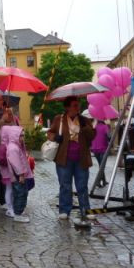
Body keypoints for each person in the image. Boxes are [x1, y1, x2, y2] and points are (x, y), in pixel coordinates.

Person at [47, 96, 96, 225]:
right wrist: (55, 137)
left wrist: (85, 127)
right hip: (64, 159)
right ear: (67, 107)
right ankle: (64, 210)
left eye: (78, 105)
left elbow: (92, 136)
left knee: (82, 186)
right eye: (74, 105)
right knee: (65, 185)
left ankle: (85, 209)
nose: (77, 107)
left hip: (81, 159)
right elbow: (50, 133)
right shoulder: (60, 119)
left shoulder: (84, 120)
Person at [0, 124, 34, 222]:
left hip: (19, 175)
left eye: (23, 135)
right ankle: (17, 213)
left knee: (21, 193)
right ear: (14, 136)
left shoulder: (16, 146)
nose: (23, 138)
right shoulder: (13, 148)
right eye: (21, 136)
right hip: (18, 176)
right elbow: (16, 164)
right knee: (19, 194)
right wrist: (21, 174)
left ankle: (19, 211)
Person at [92, 119, 111, 186]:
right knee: (102, 166)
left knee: (101, 165)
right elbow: (109, 137)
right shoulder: (105, 126)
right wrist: (108, 126)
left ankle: (104, 180)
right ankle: (98, 181)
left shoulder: (94, 127)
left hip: (94, 149)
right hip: (103, 149)